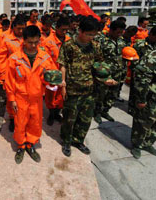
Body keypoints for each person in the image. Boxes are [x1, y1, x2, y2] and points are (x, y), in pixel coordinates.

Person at [6, 26, 57, 163]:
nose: (33, 45)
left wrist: (54, 83)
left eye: (36, 42)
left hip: (36, 98)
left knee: (35, 123)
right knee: (20, 123)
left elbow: (52, 76)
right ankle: (21, 145)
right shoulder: (15, 59)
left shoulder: (45, 57)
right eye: (30, 42)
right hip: (20, 98)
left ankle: (31, 144)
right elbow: (9, 81)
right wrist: (12, 99)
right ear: (24, 40)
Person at [57, 17, 103, 157]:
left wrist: (105, 78)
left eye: (93, 34)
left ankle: (78, 140)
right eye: (89, 34)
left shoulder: (95, 46)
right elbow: (62, 65)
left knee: (85, 118)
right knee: (69, 118)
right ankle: (66, 141)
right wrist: (63, 85)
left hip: (89, 89)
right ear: (80, 31)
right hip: (72, 88)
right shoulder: (69, 46)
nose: (91, 37)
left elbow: (99, 64)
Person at [0, 14, 26, 132]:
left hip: (25, 76)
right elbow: (1, 59)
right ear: (13, 27)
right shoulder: (6, 40)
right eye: (18, 28)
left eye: (23, 28)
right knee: (11, 99)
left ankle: (23, 118)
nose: (20, 31)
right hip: (11, 76)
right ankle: (12, 119)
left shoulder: (28, 39)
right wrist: (2, 76)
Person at [128, 26, 156, 115]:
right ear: (151, 34)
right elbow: (133, 58)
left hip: (151, 72)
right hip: (139, 70)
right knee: (135, 89)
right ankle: (132, 107)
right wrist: (136, 69)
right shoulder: (140, 44)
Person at [94, 20, 126, 123]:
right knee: (101, 94)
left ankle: (105, 111)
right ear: (111, 30)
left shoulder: (121, 41)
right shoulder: (101, 41)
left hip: (118, 72)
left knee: (113, 94)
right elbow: (96, 58)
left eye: (121, 32)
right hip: (105, 73)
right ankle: (97, 112)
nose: (120, 34)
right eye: (118, 32)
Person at [42, 16, 70, 125]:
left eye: (66, 30)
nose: (64, 32)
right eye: (62, 29)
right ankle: (51, 114)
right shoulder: (48, 42)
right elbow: (45, 58)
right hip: (52, 74)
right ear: (56, 28)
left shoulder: (69, 40)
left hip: (65, 73)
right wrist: (53, 73)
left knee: (61, 96)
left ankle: (57, 113)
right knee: (50, 95)